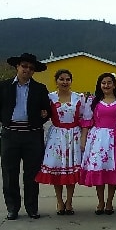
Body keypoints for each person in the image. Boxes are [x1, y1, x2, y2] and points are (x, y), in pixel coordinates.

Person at [0, 53, 51, 220]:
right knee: (10, 173)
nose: (27, 70)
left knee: (32, 175)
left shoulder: (40, 89)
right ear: (17, 67)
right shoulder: (3, 86)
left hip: (32, 136)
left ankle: (32, 208)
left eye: (31, 68)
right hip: (10, 135)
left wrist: (40, 118)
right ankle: (12, 208)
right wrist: (8, 122)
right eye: (24, 66)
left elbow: (47, 111)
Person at [79, 73, 116, 215]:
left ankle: (109, 203)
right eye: (103, 83)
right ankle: (100, 202)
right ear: (99, 85)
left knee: (113, 171)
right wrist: (84, 139)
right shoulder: (93, 102)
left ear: (114, 85)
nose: (106, 85)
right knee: (99, 171)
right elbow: (87, 122)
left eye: (109, 82)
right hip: (97, 140)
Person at [35, 69, 85, 215]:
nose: (65, 82)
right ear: (56, 81)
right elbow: (42, 112)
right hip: (56, 136)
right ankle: (59, 201)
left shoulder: (78, 98)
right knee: (57, 169)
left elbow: (85, 117)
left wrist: (83, 137)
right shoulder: (49, 97)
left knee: (70, 170)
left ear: (71, 81)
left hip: (73, 136)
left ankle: (69, 202)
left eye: (67, 79)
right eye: (61, 79)